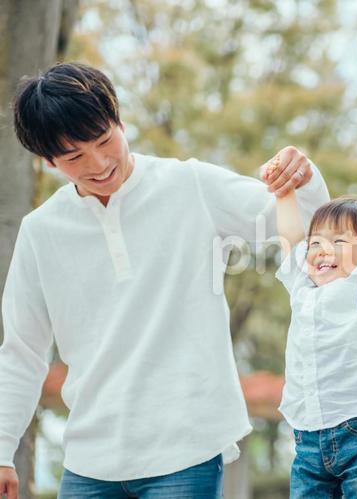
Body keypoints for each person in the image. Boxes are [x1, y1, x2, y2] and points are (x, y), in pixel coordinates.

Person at [0, 61, 330, 499]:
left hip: (185, 451)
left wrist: (302, 178)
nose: (99, 164)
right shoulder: (41, 232)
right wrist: (2, 449)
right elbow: (22, 352)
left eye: (104, 140)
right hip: (89, 460)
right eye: (75, 157)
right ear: (48, 160)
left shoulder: (189, 185)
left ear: (119, 119)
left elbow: (307, 223)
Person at [266, 147, 357, 498]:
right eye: (317, 243)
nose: (322, 250)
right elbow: (291, 238)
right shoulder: (302, 285)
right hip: (307, 435)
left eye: (339, 241)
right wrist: (284, 193)